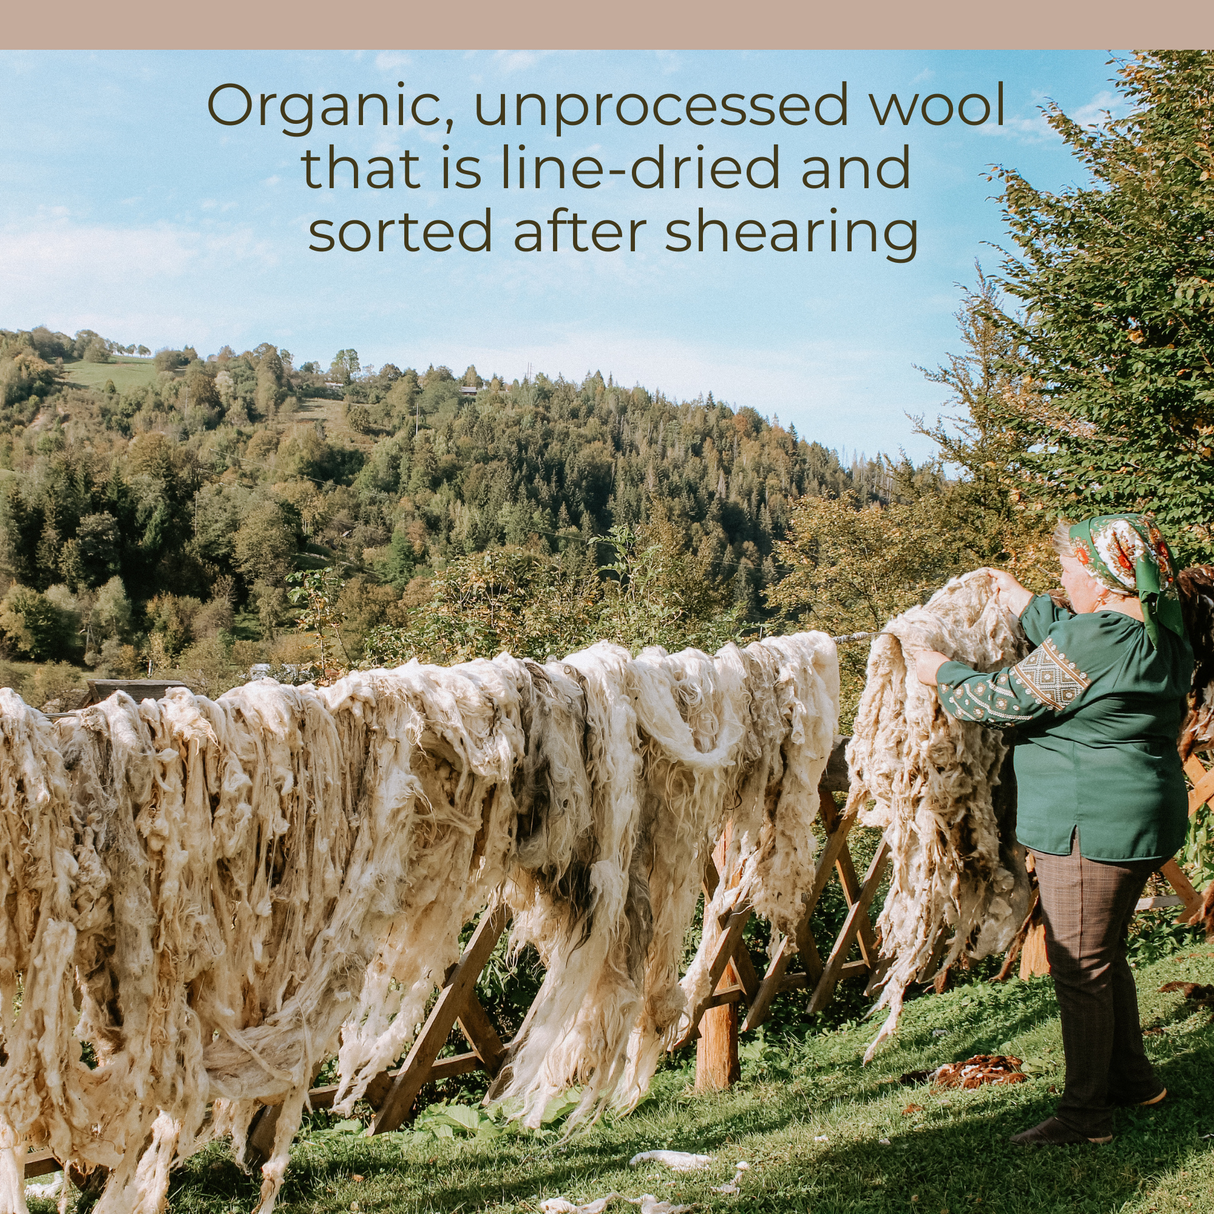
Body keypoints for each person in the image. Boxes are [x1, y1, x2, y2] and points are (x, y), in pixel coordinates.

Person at [914, 514, 1193, 1146]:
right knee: (1105, 949)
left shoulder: (1097, 638)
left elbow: (1006, 698)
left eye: (1069, 571)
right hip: (1142, 809)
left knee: (1081, 963)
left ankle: (1085, 1115)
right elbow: (1081, 644)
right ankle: (1132, 1078)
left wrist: (939, 672)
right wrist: (1022, 600)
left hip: (1089, 819)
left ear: (1101, 577)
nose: (1063, 582)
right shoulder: (1159, 625)